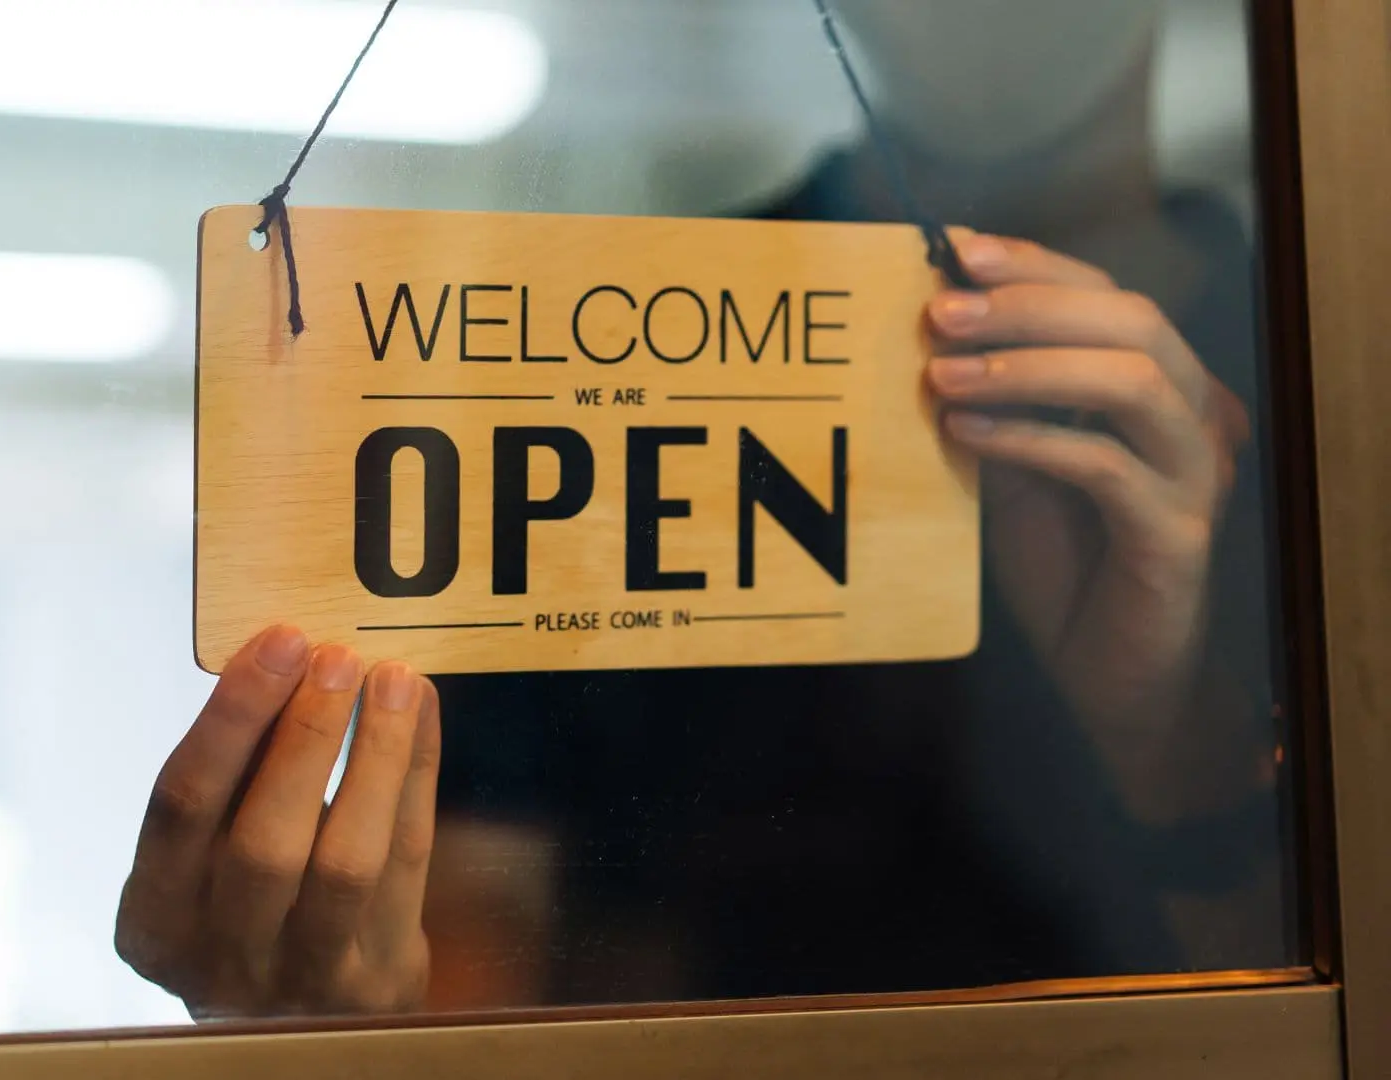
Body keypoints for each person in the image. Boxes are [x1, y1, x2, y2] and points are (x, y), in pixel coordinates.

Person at [115, 0, 1288, 1019]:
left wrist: (1170, 740)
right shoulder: (599, 358)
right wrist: (340, 1022)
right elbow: (473, 935)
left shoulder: (1335, 359)